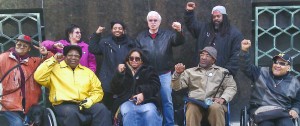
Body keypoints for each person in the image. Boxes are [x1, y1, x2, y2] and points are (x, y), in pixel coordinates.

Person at [34, 45, 111, 126]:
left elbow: (97, 90)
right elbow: (38, 77)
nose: (73, 58)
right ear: (65, 56)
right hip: (63, 104)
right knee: (71, 113)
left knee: (102, 109)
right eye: (70, 55)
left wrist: (91, 100)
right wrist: (53, 59)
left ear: (80, 58)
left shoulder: (87, 72)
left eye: (77, 56)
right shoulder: (55, 69)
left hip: (84, 103)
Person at [135, 10, 185, 126]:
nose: (153, 22)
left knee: (167, 100)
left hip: (164, 74)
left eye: (155, 20)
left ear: (160, 22)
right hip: (147, 74)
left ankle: (169, 124)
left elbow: (179, 41)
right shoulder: (140, 37)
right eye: (150, 20)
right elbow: (136, 55)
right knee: (146, 99)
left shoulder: (168, 34)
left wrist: (179, 31)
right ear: (147, 22)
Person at [239, 40, 300, 126]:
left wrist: (295, 109)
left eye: (282, 63)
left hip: (283, 113)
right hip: (262, 112)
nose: (277, 65)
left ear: (288, 68)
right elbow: (245, 67)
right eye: (275, 62)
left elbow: (298, 101)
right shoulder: (261, 72)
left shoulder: (294, 82)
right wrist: (244, 51)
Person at [172, 46, 237, 126]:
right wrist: (177, 74)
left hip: (214, 102)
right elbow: (176, 87)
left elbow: (231, 87)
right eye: (202, 55)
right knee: (192, 108)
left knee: (216, 108)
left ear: (213, 60)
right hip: (196, 102)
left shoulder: (222, 72)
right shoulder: (190, 72)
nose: (203, 57)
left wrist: (223, 98)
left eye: (207, 55)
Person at [0, 34, 52, 126]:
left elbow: (51, 62)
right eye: (19, 44)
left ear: (29, 49)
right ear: (15, 44)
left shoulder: (34, 62)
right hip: (9, 107)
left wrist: (46, 54)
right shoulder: (3, 58)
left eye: (25, 46)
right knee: (18, 124)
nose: (21, 47)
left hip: (30, 108)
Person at [184, 2, 243, 76]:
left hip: (221, 75)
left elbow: (236, 56)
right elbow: (192, 25)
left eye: (218, 16)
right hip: (201, 73)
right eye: (214, 17)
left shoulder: (234, 34)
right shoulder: (204, 28)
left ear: (224, 17)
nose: (216, 19)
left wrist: (226, 72)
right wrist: (189, 12)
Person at [89, 21, 135, 110]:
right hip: (108, 80)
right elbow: (93, 49)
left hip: (124, 80)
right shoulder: (105, 43)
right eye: (115, 28)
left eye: (120, 28)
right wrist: (97, 34)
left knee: (122, 108)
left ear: (124, 30)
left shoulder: (130, 43)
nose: (117, 30)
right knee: (108, 108)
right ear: (111, 30)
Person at [110, 48, 162, 126]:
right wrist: (119, 74)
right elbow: (114, 89)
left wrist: (143, 94)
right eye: (131, 58)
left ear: (142, 60)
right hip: (127, 101)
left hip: (147, 100)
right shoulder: (123, 70)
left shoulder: (149, 70)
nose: (134, 60)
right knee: (129, 112)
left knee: (150, 112)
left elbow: (155, 85)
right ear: (128, 59)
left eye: (137, 59)